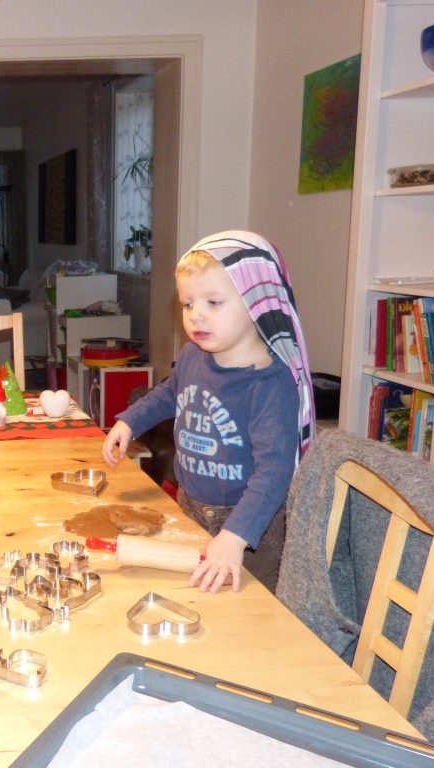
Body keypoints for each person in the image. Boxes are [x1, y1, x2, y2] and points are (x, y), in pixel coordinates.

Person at [102, 231, 315, 594]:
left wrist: (235, 536)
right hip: (190, 504)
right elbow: (169, 393)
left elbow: (275, 472)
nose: (196, 316)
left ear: (256, 304)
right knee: (194, 597)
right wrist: (130, 421)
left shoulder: (271, 384)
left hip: (248, 526)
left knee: (244, 606)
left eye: (213, 302)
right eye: (188, 304)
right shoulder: (193, 356)